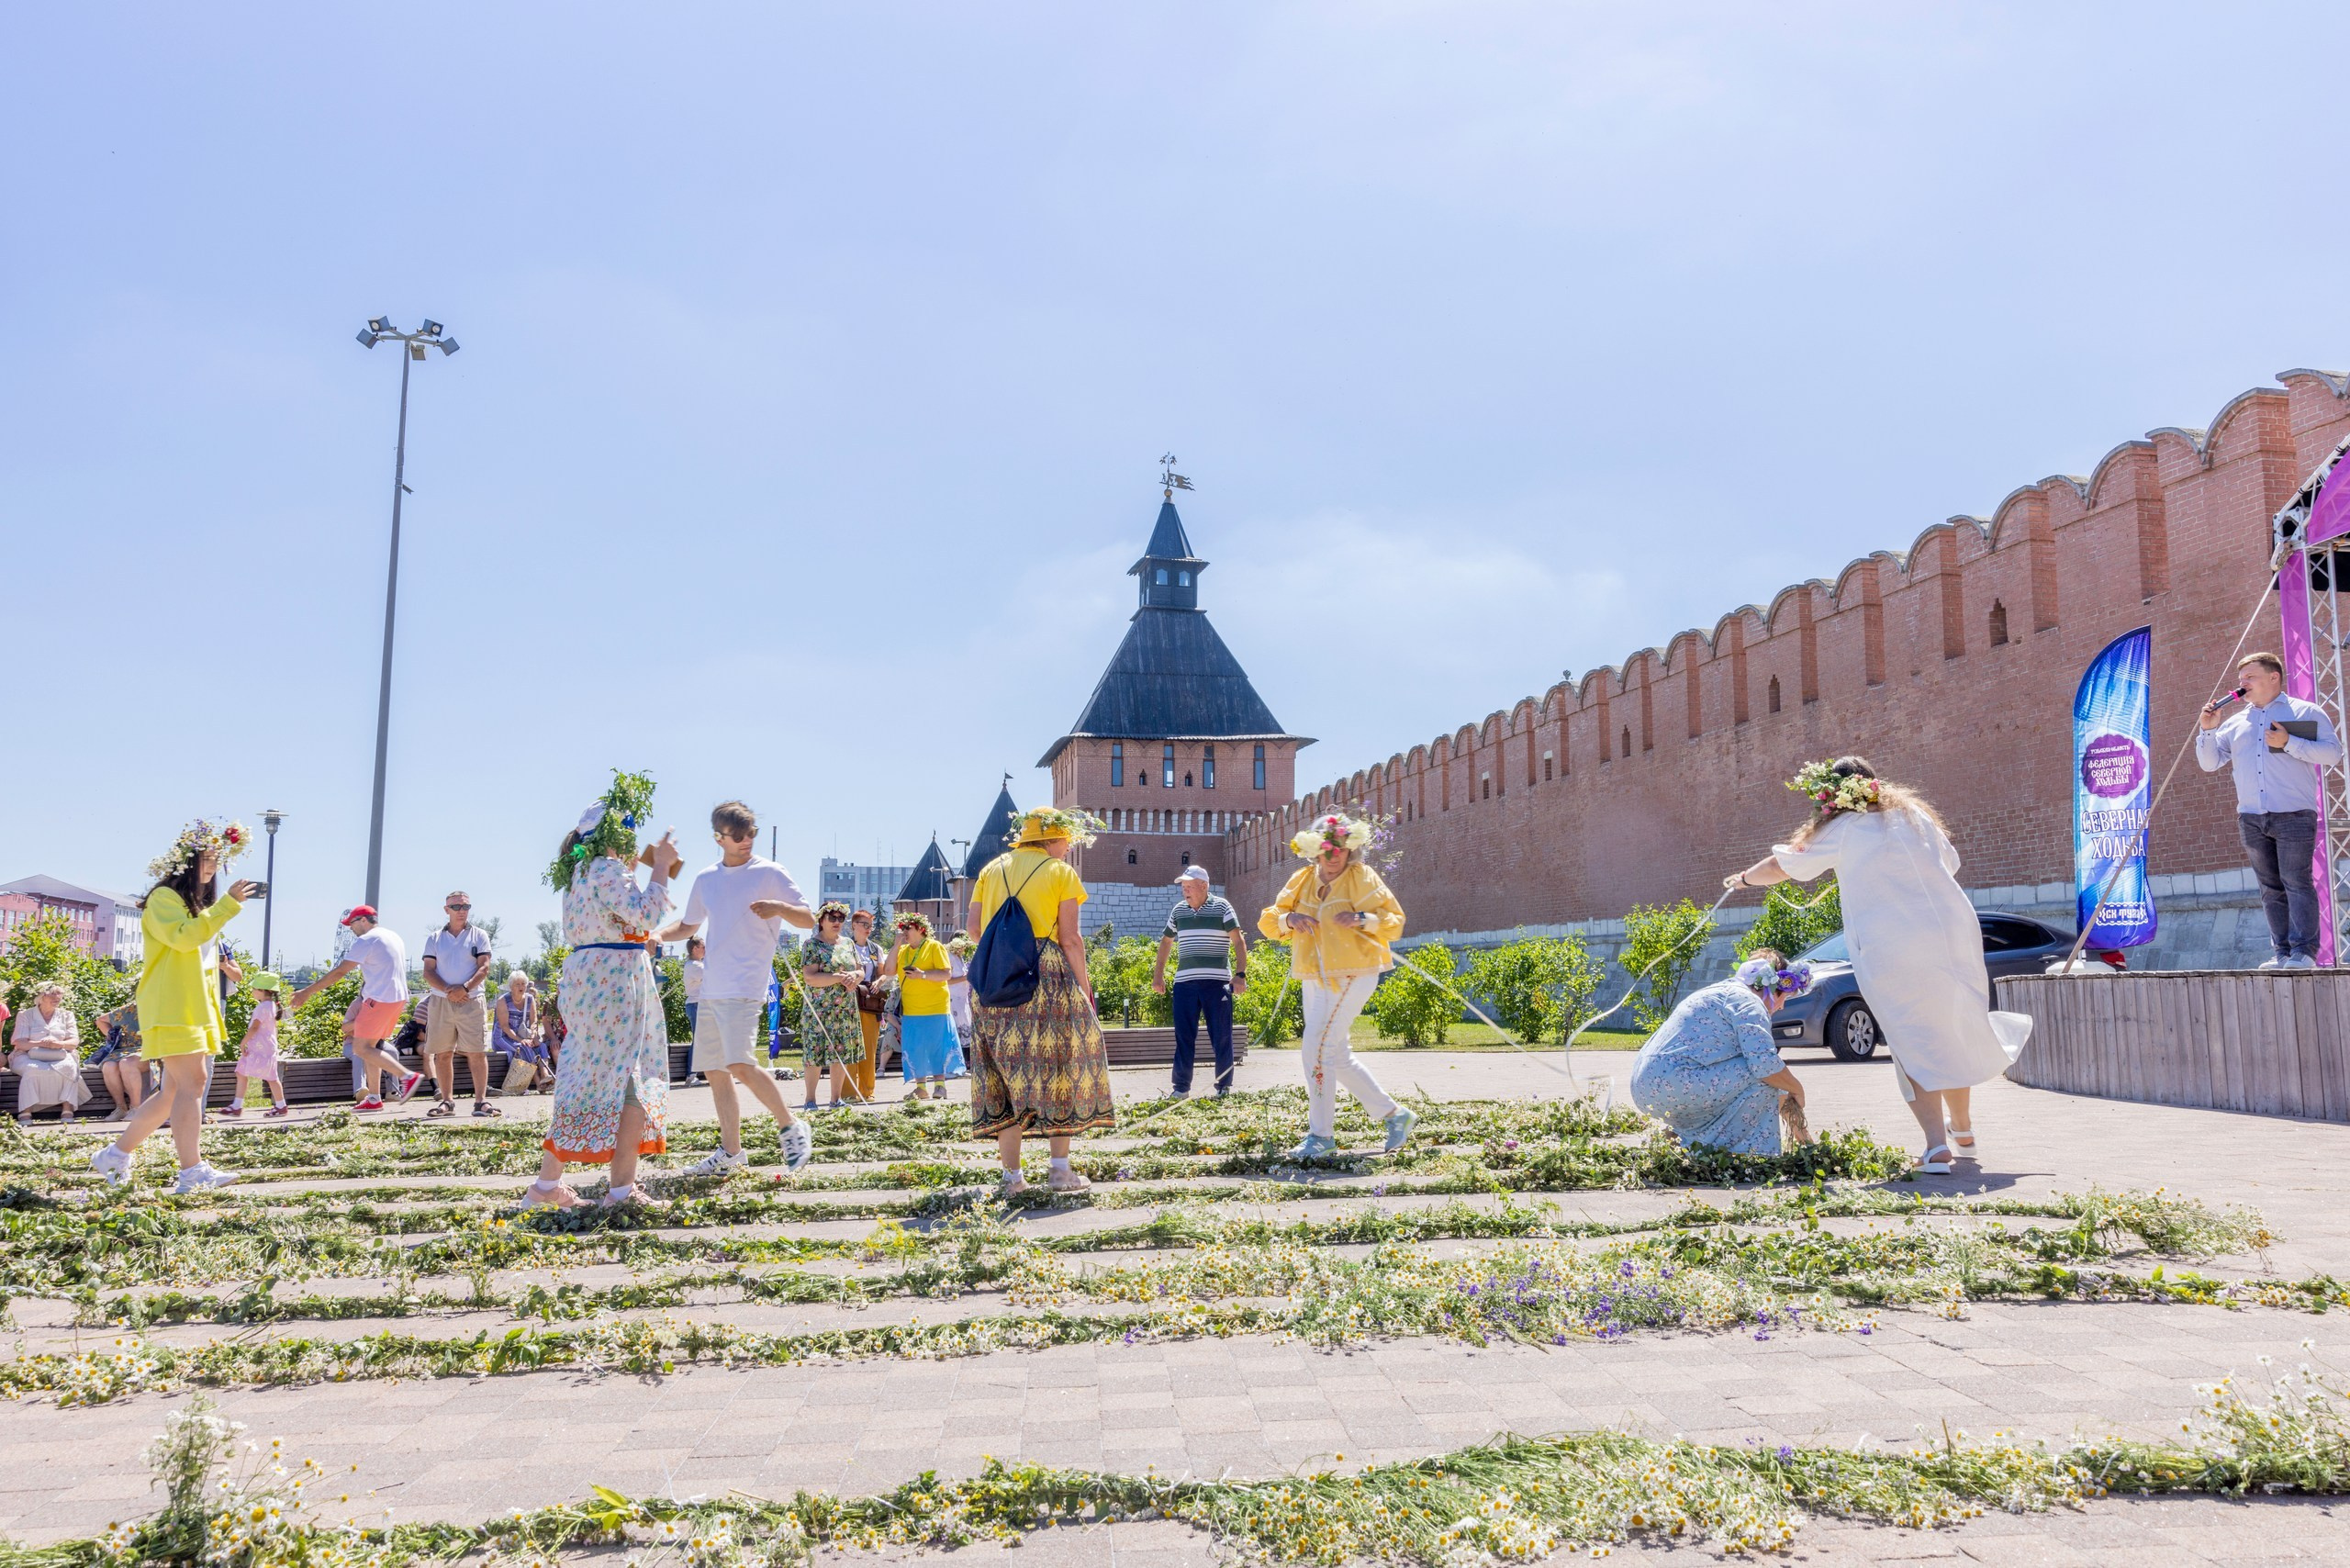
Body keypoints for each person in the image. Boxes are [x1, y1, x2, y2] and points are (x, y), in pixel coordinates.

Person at [1729, 756, 2032, 1173]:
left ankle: (1936, 1148)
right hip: (1952, 932)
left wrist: (1743, 879)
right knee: (1950, 1027)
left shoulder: (1843, 826)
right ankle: (1961, 1128)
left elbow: (1784, 865)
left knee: (1911, 1035)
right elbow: (1951, 863)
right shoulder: (1915, 817)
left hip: (1894, 941)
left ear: (1829, 796)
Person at [524, 775, 679, 1208]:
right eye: (629, 832)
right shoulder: (607, 869)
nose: (634, 844)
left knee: (589, 1074)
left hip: (589, 976)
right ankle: (617, 1192)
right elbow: (645, 914)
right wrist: (662, 866)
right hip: (613, 980)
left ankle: (550, 1187)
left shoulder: (578, 872)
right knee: (627, 1073)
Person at [90, 819, 263, 1192]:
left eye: (217, 861)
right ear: (186, 862)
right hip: (172, 1006)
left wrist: (219, 909)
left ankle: (115, 1156)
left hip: (190, 1007)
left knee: (173, 1091)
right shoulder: (163, 899)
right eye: (206, 860)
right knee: (191, 1085)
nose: (212, 868)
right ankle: (191, 1171)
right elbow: (185, 940)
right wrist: (228, 905)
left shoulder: (195, 905)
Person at [656, 800, 816, 1175]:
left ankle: (791, 1126)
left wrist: (779, 906)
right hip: (712, 987)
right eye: (739, 836)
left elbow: (809, 919)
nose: (747, 841)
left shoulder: (771, 872)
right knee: (715, 1070)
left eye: (752, 834)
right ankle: (731, 1153)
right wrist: (653, 935)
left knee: (739, 1063)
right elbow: (687, 926)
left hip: (746, 984)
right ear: (719, 837)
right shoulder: (706, 879)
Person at [966, 807, 1114, 1194]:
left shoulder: (990, 869)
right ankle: (1059, 1170)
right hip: (1045, 974)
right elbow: (1070, 939)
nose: (1068, 848)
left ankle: (1012, 1178)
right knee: (1061, 1065)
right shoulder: (1060, 873)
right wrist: (1084, 990)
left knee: (1002, 1072)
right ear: (1050, 839)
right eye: (1066, 840)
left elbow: (972, 929)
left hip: (994, 978)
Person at [2195, 652, 2346, 969]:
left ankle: (2304, 953)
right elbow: (2209, 764)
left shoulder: (2305, 711)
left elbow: (2332, 754)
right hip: (2251, 817)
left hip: (2293, 814)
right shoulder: (2237, 721)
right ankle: (2282, 953)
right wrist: (2208, 730)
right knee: (2269, 888)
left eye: (2249, 677)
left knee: (2296, 881)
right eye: (2241, 679)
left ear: (2273, 677)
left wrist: (2289, 741)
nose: (2242, 684)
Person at [1628, 951, 1813, 1154]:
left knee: (1770, 1076)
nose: (1782, 1006)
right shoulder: (1749, 1002)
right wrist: (1798, 1089)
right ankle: (1736, 1151)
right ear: (1772, 988)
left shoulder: (1722, 992)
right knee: (1767, 1075)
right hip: (1674, 1085)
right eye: (1784, 997)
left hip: (1647, 1087)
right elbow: (1765, 1065)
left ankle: (1687, 1138)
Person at [290, 907, 425, 1113]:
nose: (350, 929)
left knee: (361, 1049)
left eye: (351, 924)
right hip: (397, 998)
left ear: (363, 920)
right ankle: (374, 1097)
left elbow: (341, 971)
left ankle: (407, 1076)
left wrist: (306, 992)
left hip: (378, 998)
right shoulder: (392, 935)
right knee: (372, 1049)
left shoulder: (367, 940)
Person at [1152, 867, 1249, 1100]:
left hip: (1216, 983)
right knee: (1184, 1036)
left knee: (1222, 1036)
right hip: (1184, 983)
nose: (1184, 891)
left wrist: (1240, 974)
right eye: (1183, 887)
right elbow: (1166, 943)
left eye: (1189, 886)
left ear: (1204, 886)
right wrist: (1158, 975)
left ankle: (1224, 1088)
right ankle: (1181, 1089)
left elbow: (1238, 942)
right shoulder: (1179, 911)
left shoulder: (1223, 907)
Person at [421, 890, 498, 1118]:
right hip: (441, 1001)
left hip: (472, 1000)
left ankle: (481, 1102)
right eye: (456, 907)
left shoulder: (479, 935)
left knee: (477, 1052)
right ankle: (447, 1102)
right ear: (446, 910)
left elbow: (484, 967)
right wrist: (448, 990)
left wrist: (464, 988)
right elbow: (428, 971)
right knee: (443, 1053)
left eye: (466, 907)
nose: (461, 911)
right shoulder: (434, 938)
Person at [798, 902, 864, 1108]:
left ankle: (836, 1099)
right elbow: (810, 978)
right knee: (814, 1054)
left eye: (840, 919)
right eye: (832, 918)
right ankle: (810, 1100)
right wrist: (838, 978)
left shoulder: (848, 944)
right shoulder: (812, 944)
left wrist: (855, 976)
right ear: (821, 920)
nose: (837, 922)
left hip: (844, 1008)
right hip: (820, 1008)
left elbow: (861, 970)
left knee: (840, 1054)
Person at [892, 912, 964, 1101]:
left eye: (907, 927)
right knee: (916, 1048)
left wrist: (922, 975)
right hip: (912, 1009)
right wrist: (895, 945)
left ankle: (940, 1087)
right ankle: (920, 1088)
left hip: (935, 1007)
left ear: (921, 929)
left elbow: (946, 974)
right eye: (902, 928)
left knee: (936, 1047)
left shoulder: (934, 946)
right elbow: (889, 970)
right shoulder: (903, 951)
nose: (904, 931)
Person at [8, 980, 89, 1125]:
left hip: (59, 1054)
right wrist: (41, 1043)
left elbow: (74, 1041)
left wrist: (58, 1044)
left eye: (59, 994)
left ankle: (67, 1108)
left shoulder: (67, 1015)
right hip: (27, 1055)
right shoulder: (25, 1015)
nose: (57, 997)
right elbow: (19, 1043)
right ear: (40, 996)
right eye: (52, 993)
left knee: (69, 1067)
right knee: (32, 1069)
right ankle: (25, 1112)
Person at [224, 971, 291, 1117]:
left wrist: (243, 1043)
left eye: (254, 989)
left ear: (263, 990)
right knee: (252, 1073)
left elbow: (254, 1027)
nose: (252, 992)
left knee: (255, 1075)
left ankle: (239, 1106)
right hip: (265, 1047)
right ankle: (278, 1106)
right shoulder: (272, 1005)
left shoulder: (262, 1008)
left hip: (259, 1048)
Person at [846, 909, 886, 1099]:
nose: (868, 929)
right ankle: (848, 1092)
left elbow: (883, 972)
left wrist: (880, 981)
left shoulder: (875, 948)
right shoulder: (844, 946)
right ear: (854, 925)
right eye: (864, 925)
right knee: (849, 1046)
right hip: (848, 1001)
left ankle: (867, 1091)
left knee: (869, 1047)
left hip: (870, 1001)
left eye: (870, 925)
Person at [493, 971, 549, 1092]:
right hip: (503, 1037)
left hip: (522, 1035)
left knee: (542, 1046)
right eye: (517, 984)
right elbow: (505, 1027)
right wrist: (522, 1040)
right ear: (511, 986)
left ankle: (546, 1075)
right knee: (524, 1048)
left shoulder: (530, 999)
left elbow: (534, 1021)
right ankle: (539, 1083)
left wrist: (533, 1036)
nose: (521, 987)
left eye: (523, 984)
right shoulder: (503, 1001)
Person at [92, 1002, 146, 1120]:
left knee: (127, 1063)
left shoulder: (162, 1008)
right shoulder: (131, 1008)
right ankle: (121, 1108)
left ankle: (136, 1108)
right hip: (124, 1050)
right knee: (109, 1066)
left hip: (149, 1049)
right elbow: (100, 1021)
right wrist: (113, 1037)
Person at [946, 930, 974, 1042]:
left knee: (966, 1028)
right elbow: (946, 980)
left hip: (963, 998)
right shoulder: (949, 957)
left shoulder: (960, 957)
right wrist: (966, 977)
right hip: (954, 999)